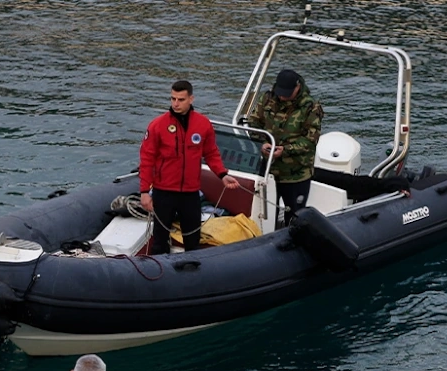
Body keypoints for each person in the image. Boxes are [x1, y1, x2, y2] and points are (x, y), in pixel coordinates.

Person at [138, 79, 242, 254]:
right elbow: (147, 159)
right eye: (173, 99)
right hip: (164, 191)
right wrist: (144, 192)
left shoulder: (203, 124)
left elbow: (211, 153)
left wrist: (222, 174)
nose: (176, 104)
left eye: (181, 99)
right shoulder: (157, 125)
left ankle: (191, 267)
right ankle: (159, 267)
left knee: (192, 239)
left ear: (191, 99)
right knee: (160, 240)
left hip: (190, 193)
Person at [247, 69, 324, 217]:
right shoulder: (267, 99)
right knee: (266, 213)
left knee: (295, 215)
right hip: (268, 170)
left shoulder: (311, 108)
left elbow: (310, 140)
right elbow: (253, 123)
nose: (282, 97)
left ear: (297, 87)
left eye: (287, 94)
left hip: (296, 174)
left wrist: (286, 150)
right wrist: (261, 143)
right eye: (280, 93)